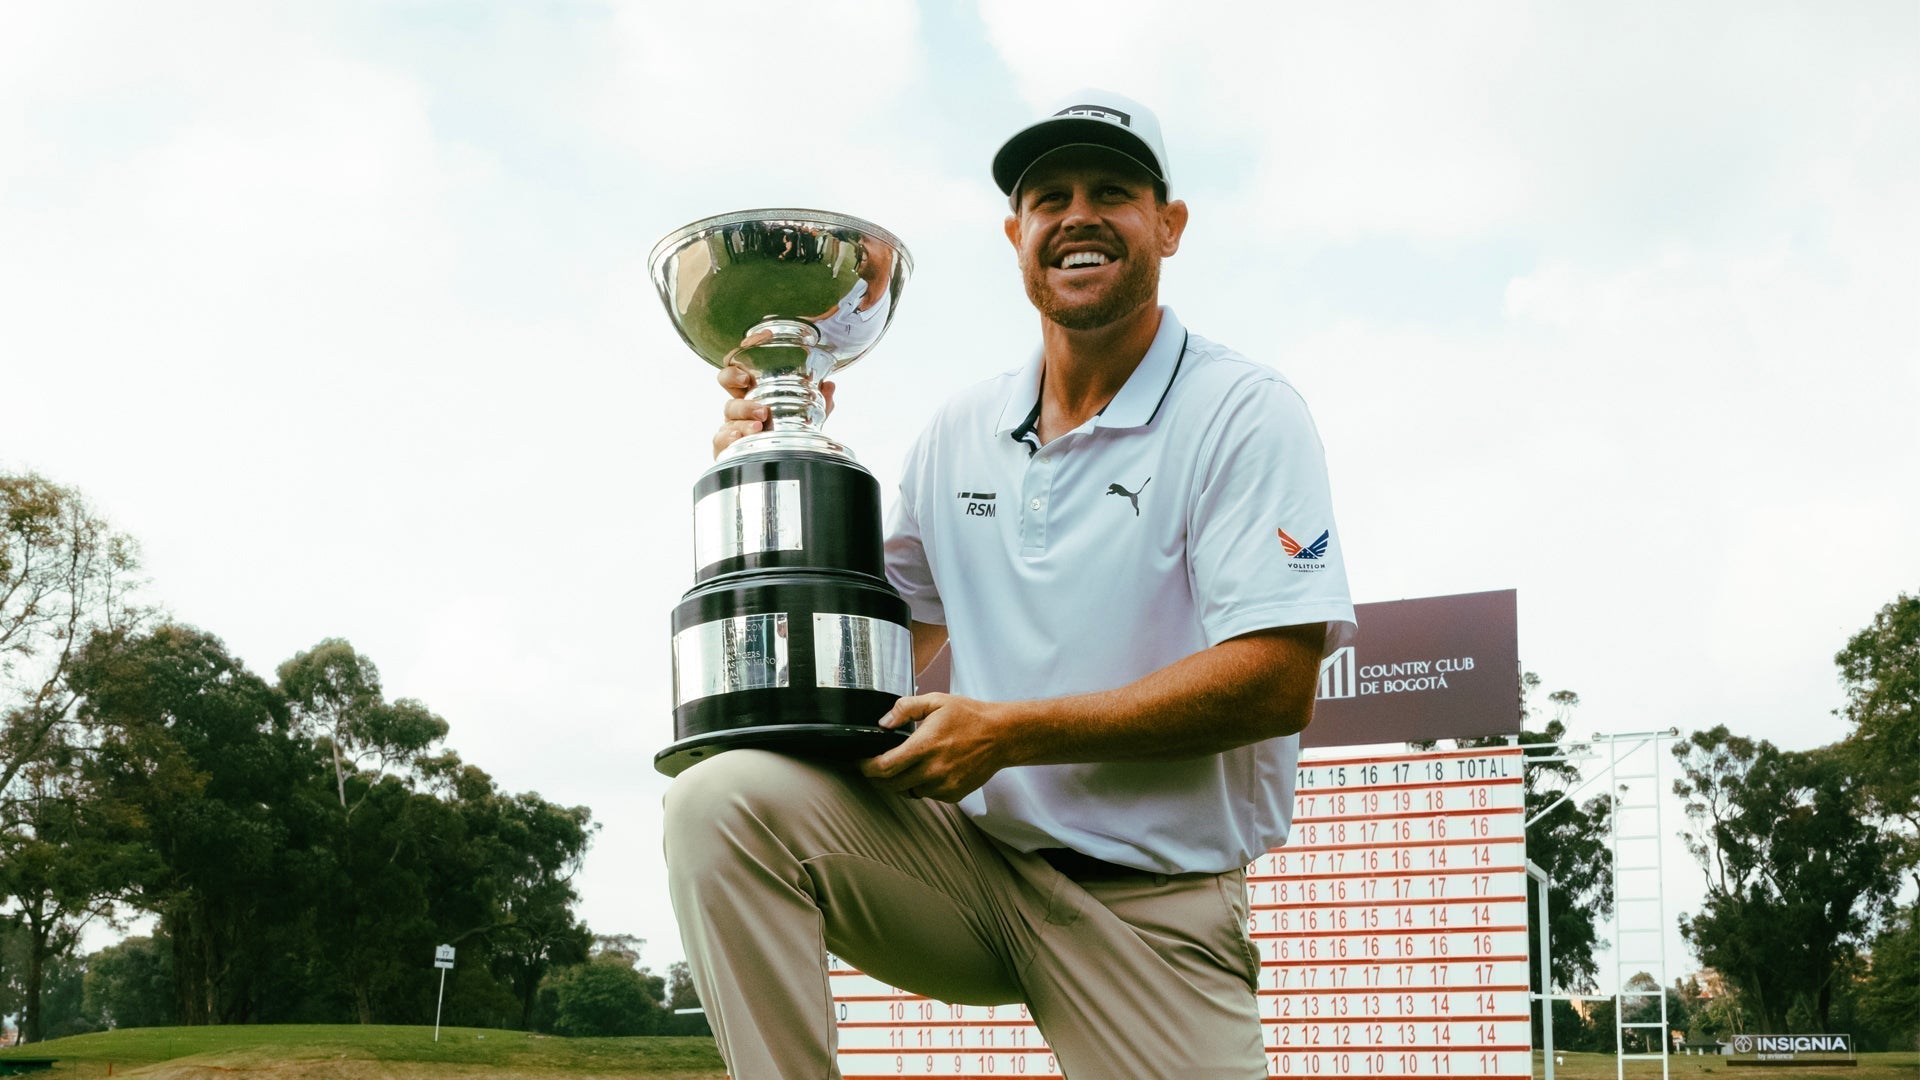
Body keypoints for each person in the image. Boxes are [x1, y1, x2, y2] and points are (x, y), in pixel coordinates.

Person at [665, 89, 1356, 1079]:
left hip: (1152, 910)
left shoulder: (1243, 412)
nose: (1077, 215)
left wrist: (1012, 732)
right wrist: (778, 465)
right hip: (970, 874)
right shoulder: (959, 432)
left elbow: (1275, 681)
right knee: (719, 803)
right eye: (1049, 198)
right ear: (1015, 234)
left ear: (1168, 225)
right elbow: (879, 636)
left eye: (1112, 192)